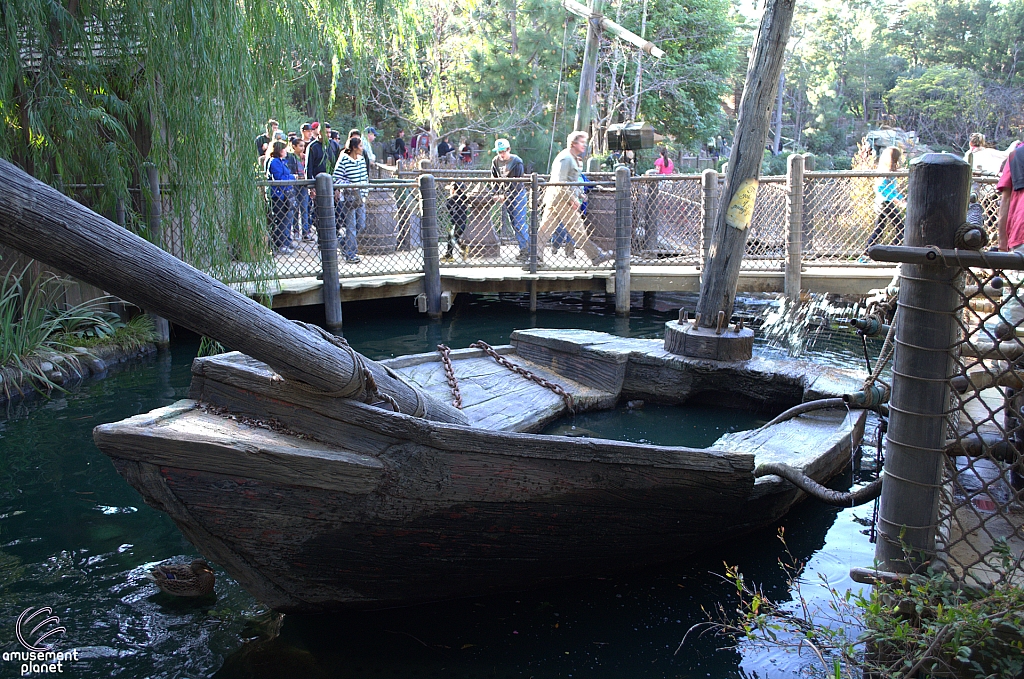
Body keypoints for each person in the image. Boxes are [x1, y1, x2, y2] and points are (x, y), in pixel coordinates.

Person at [536, 131, 612, 268]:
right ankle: (595, 256)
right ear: (573, 143)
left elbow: (571, 181)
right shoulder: (566, 158)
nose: (584, 145)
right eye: (582, 142)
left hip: (559, 198)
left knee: (545, 229)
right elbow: (560, 182)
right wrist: (572, 199)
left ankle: (534, 256)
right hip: (561, 200)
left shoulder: (571, 157)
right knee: (577, 229)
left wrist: (580, 194)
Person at [490, 139, 529, 261]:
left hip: (517, 195)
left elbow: (517, 183)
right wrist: (495, 193)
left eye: (503, 151)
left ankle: (527, 250)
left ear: (509, 149)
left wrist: (505, 195)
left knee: (519, 223)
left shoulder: (517, 162)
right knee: (514, 224)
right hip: (506, 195)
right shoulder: (495, 161)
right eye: (499, 152)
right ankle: (524, 249)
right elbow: (494, 179)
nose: (501, 154)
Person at [333, 136, 369, 264]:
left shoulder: (361, 159)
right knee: (351, 226)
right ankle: (351, 254)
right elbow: (336, 177)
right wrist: (349, 185)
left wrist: (365, 192)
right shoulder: (344, 159)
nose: (362, 148)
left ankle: (343, 242)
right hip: (349, 197)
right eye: (360, 146)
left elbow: (365, 176)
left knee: (361, 224)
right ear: (354, 147)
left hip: (360, 196)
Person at [865, 146, 906, 252]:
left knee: (879, 229)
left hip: (883, 203)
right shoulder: (886, 173)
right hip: (885, 203)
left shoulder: (890, 172)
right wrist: (894, 199)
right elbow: (880, 188)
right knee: (901, 228)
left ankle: (867, 251)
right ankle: (891, 250)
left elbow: (892, 190)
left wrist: (900, 198)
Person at [265, 140, 296, 255]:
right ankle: (279, 245)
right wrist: (292, 177)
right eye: (284, 149)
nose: (286, 151)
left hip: (285, 195)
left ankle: (284, 243)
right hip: (278, 196)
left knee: (285, 220)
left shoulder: (282, 162)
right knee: (280, 220)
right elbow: (279, 178)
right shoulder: (275, 162)